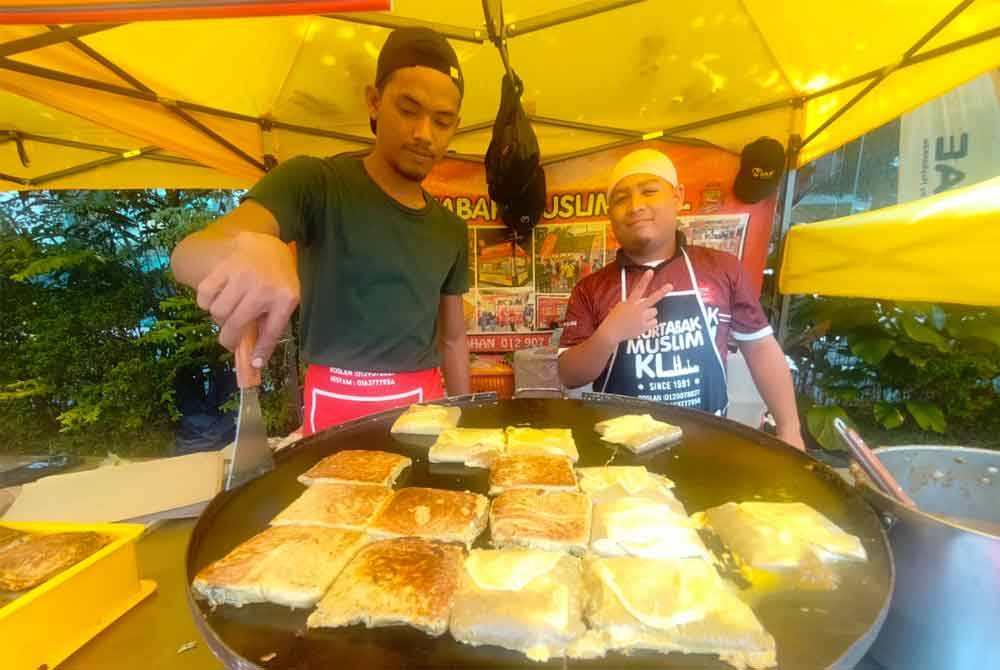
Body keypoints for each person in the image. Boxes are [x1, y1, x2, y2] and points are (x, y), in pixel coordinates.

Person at [171, 27, 470, 436]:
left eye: (442, 121)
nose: (424, 133)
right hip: (336, 403)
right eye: (408, 109)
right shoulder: (315, 183)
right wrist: (251, 248)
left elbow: (453, 341)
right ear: (374, 101)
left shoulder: (450, 229)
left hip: (427, 404)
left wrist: (466, 419)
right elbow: (190, 253)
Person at [557, 148, 805, 450]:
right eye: (621, 198)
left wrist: (790, 429)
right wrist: (609, 335)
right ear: (610, 214)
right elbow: (569, 375)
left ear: (677, 197)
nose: (635, 206)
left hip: (705, 444)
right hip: (618, 450)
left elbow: (761, 348)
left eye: (649, 191)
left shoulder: (722, 269)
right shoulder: (590, 288)